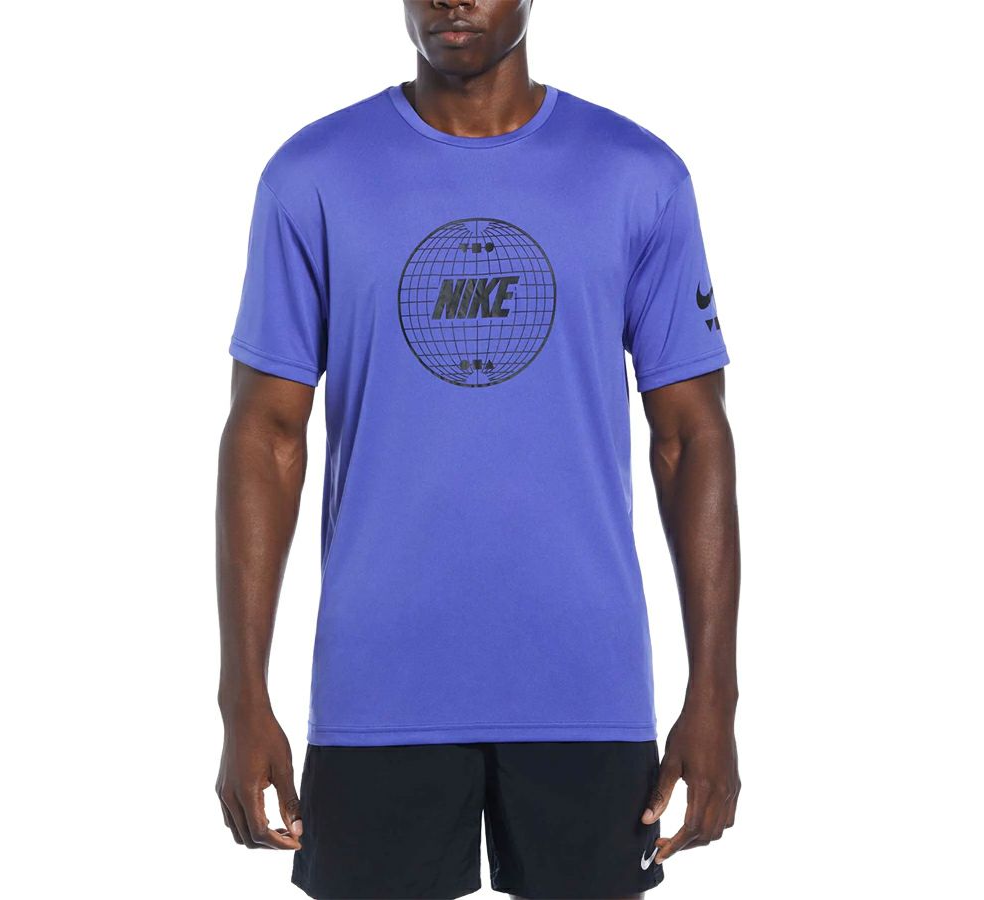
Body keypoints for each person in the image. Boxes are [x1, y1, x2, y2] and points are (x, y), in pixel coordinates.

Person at [215, 1, 741, 897]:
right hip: (378, 688)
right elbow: (265, 437)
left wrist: (715, 698)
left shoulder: (637, 176)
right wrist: (241, 697)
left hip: (585, 687)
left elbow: (691, 438)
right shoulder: (313, 177)